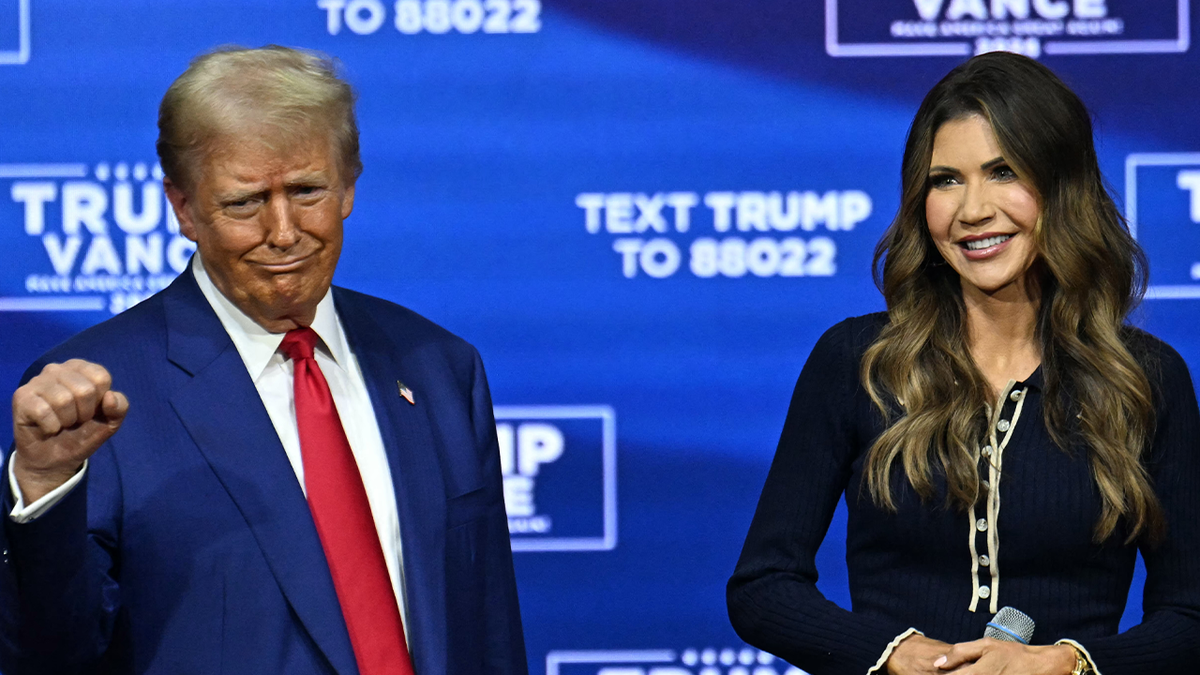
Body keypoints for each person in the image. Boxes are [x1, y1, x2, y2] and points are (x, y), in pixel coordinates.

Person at [0, 45, 526, 675]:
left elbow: (488, 632)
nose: (283, 232)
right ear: (184, 207)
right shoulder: (97, 395)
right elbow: (53, 651)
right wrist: (44, 487)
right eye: (246, 202)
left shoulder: (440, 368)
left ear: (350, 185)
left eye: (307, 190)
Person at [726, 52, 1200, 675]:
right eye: (945, 180)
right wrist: (892, 654)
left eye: (1003, 172)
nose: (972, 209)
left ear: (1062, 187)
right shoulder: (857, 361)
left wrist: (1067, 664)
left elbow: (1190, 617)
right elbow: (762, 587)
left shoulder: (1145, 377)